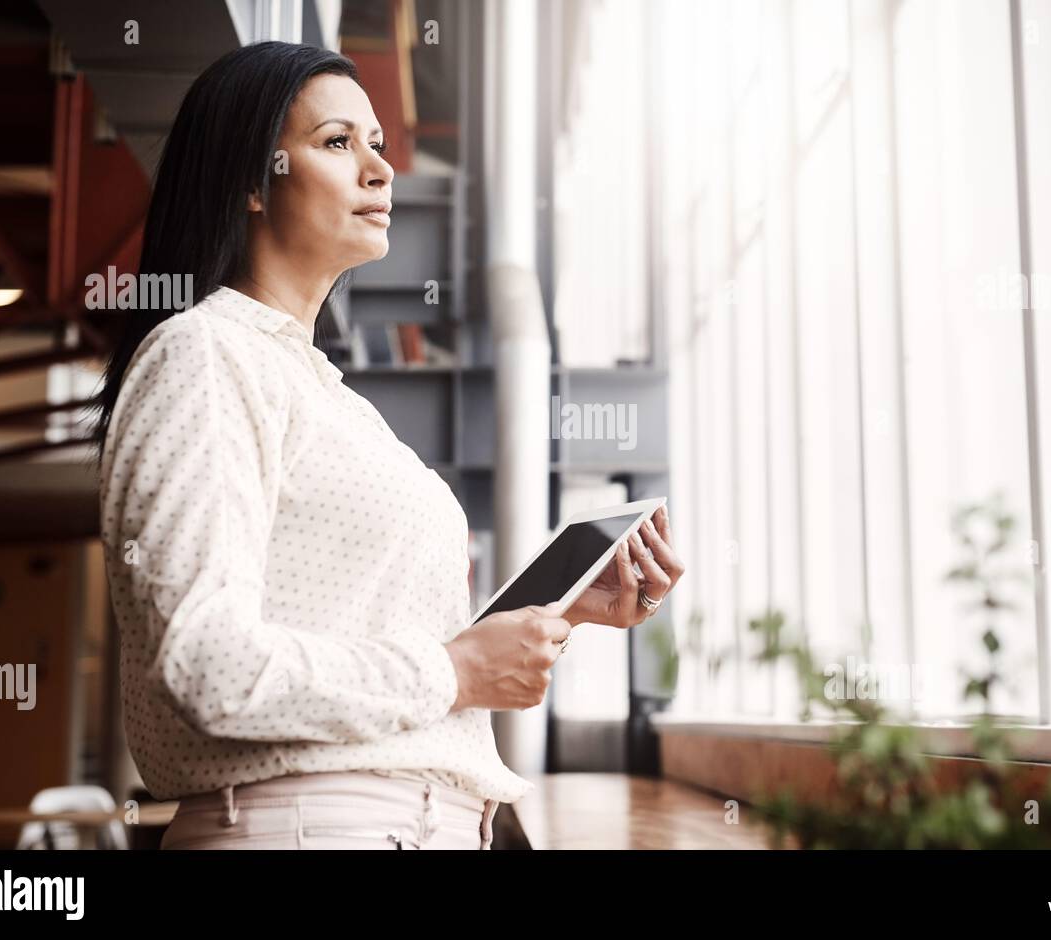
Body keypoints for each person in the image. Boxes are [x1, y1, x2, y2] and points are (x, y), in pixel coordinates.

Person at [94, 41, 684, 850]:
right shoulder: (205, 354)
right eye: (338, 142)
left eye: (377, 143)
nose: (381, 169)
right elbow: (207, 664)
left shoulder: (331, 396)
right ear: (249, 183)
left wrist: (557, 613)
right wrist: (455, 670)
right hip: (311, 827)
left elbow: (375, 638)